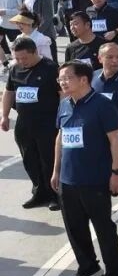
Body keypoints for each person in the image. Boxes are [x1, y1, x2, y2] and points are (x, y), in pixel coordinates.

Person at [52, 60, 118, 276]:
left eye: (67, 78)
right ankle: (88, 267)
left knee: (103, 228)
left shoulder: (102, 105)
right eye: (60, 79)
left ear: (84, 79)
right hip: (68, 180)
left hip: (94, 179)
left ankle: (117, 273)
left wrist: (117, 172)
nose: (62, 82)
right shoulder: (64, 104)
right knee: (75, 227)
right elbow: (60, 137)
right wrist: (56, 170)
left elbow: (115, 140)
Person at [2, 36, 61, 210]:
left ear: (35, 52)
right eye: (18, 58)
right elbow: (9, 92)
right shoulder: (15, 69)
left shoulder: (51, 68)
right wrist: (4, 115)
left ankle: (55, 195)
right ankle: (39, 193)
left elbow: (62, 95)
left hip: (47, 123)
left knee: (48, 160)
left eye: (24, 58)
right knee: (30, 160)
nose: (21, 62)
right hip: (24, 123)